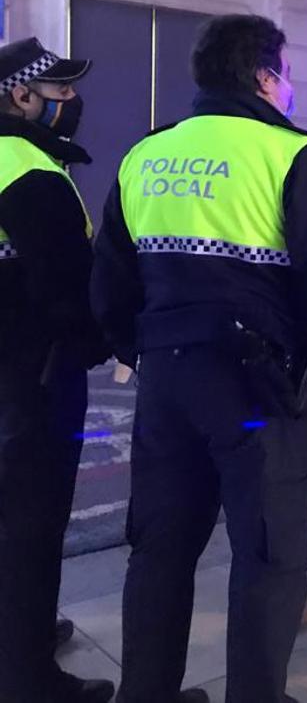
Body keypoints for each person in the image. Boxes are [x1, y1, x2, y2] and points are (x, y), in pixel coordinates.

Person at [90, 15, 307, 703]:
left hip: (166, 386)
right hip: (258, 393)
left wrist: (144, 350)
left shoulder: (146, 155)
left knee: (160, 549)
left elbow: (109, 284)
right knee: (270, 559)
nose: (289, 88)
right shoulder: (292, 156)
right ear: (263, 76)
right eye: (285, 74)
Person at [0, 38, 114, 702]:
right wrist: (104, 338)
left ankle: (22, 631)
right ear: (21, 96)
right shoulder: (28, 169)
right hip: (35, 376)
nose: (72, 103)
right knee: (33, 527)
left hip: (11, 365)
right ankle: (29, 675)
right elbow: (69, 287)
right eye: (60, 92)